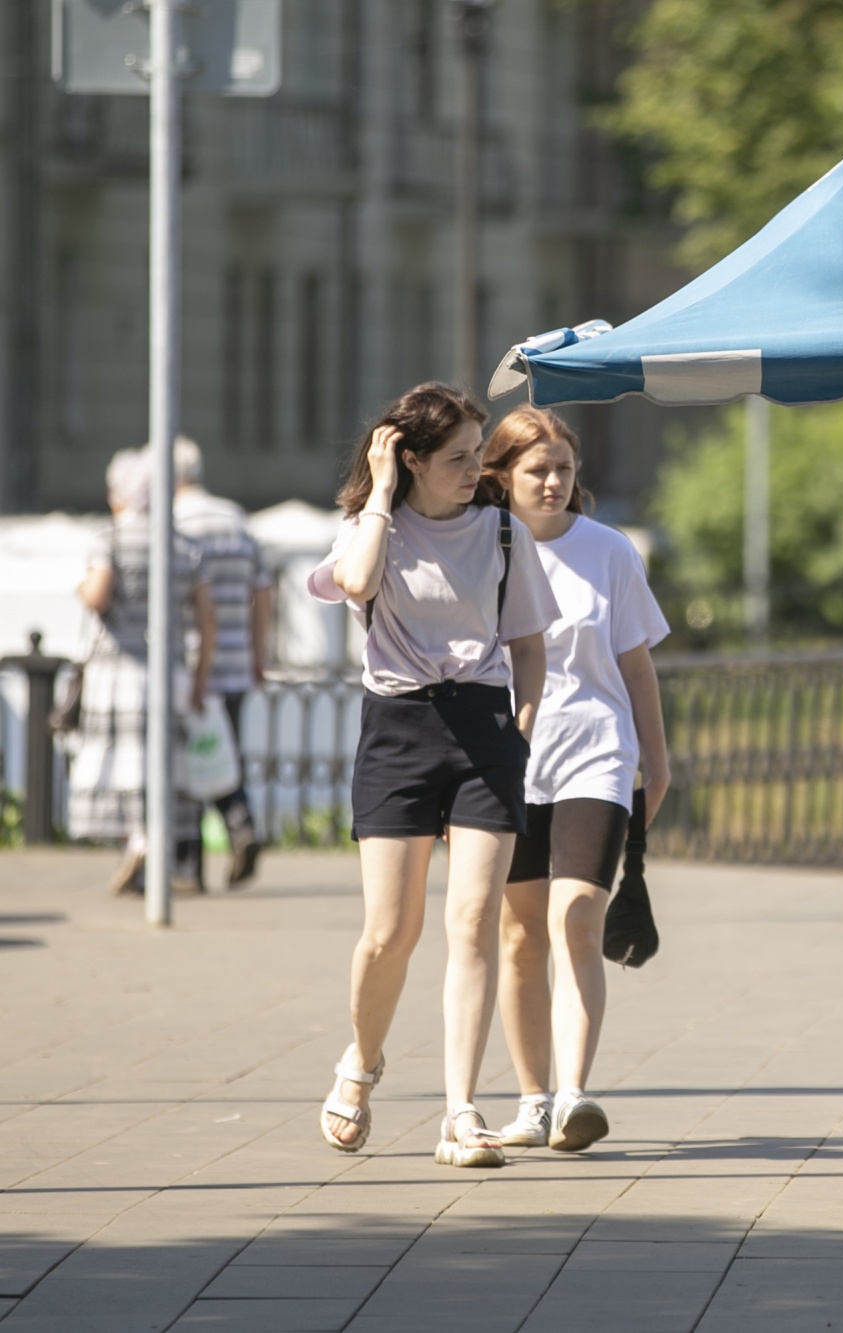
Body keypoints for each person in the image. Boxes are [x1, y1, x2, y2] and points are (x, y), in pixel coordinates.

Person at [306, 383, 559, 1169]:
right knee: (392, 931)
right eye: (454, 458)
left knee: (474, 918)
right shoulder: (368, 529)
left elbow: (527, 644)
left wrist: (517, 733)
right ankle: (362, 1060)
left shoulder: (502, 533)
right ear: (409, 458)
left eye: (475, 455)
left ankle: (460, 1111)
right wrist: (382, 492)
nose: (473, 470)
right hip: (399, 729)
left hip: (485, 728)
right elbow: (354, 583)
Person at [478, 408, 671, 1153]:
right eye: (537, 470)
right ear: (503, 477)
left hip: (597, 751)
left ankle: (574, 1095)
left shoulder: (609, 551)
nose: (554, 482)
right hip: (511, 761)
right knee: (520, 933)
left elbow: (636, 666)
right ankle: (530, 1101)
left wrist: (658, 762)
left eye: (563, 467)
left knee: (577, 916)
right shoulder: (484, 550)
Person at [68, 448, 217, 897]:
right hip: (168, 670)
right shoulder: (184, 545)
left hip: (118, 670)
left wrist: (80, 586)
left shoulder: (109, 537)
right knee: (161, 763)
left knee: (120, 765)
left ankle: (136, 839)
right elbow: (207, 620)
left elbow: (96, 595)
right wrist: (200, 677)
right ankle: (153, 840)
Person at [172, 436, 270, 888]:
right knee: (226, 753)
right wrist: (257, 655)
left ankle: (188, 865)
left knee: (187, 759)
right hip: (235, 662)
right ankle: (242, 826)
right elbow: (262, 591)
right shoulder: (235, 518)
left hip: (191, 662)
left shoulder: (172, 523)